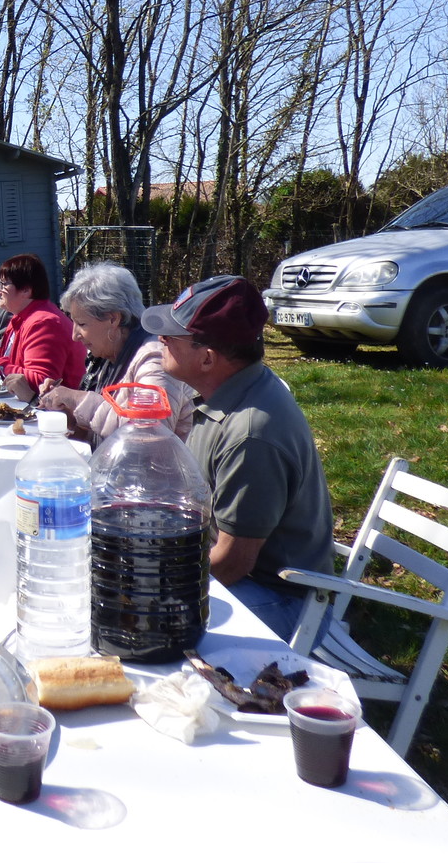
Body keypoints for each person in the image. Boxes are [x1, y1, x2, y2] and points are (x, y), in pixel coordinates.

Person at [147, 275, 332, 640]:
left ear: (207, 358)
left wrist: (156, 587)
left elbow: (233, 562)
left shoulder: (250, 434)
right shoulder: (229, 392)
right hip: (243, 578)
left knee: (146, 619)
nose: (160, 341)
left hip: (280, 600)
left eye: (171, 336)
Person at [37, 262, 192, 446]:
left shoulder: (154, 359)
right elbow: (104, 435)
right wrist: (68, 415)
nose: (74, 335)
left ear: (113, 318)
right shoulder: (109, 357)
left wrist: (79, 399)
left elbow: (149, 435)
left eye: (82, 324)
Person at [0, 252, 85, 400]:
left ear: (26, 290)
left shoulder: (44, 323)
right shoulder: (22, 316)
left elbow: (41, 382)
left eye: (3, 285)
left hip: (57, 416)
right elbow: (14, 360)